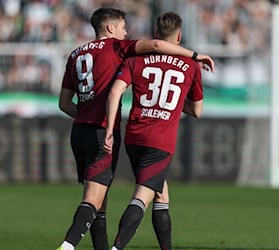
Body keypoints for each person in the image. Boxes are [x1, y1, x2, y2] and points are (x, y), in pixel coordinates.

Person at [57, 7, 214, 250]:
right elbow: (159, 47)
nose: (126, 32)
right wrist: (194, 55)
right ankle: (69, 246)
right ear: (110, 28)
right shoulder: (119, 49)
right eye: (123, 27)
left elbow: (64, 103)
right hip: (109, 132)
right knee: (95, 200)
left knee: (103, 200)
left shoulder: (76, 53)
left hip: (81, 131)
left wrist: (86, 115)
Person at [104, 11, 207, 250]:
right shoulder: (191, 66)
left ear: (155, 33)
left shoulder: (134, 60)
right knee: (143, 195)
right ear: (179, 36)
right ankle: (117, 247)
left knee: (161, 194)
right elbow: (197, 111)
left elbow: (116, 90)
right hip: (160, 141)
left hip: (135, 136)